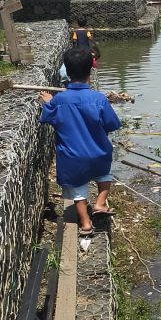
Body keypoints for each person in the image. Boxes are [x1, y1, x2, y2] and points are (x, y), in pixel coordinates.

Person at [39, 46, 121, 235]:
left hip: (72, 156)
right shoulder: (98, 99)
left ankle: (85, 224)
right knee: (104, 174)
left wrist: (49, 101)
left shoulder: (59, 100)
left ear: (67, 72)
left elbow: (46, 118)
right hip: (99, 153)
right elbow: (111, 124)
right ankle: (100, 203)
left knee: (78, 190)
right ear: (90, 70)